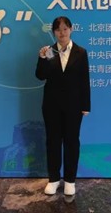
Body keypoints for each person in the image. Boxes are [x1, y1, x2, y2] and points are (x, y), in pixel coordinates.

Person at [36, 16, 91, 196]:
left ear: (71, 29)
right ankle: (53, 179)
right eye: (58, 30)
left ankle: (69, 180)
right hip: (51, 105)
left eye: (65, 29)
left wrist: (86, 105)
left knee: (72, 142)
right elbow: (41, 76)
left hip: (74, 106)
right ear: (54, 32)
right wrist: (42, 58)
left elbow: (84, 80)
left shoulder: (80, 52)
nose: (62, 33)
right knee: (52, 142)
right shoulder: (49, 51)